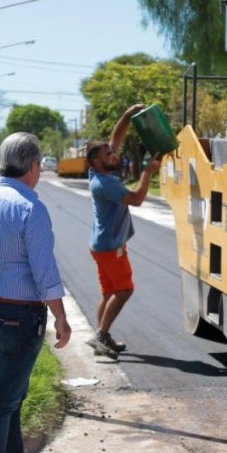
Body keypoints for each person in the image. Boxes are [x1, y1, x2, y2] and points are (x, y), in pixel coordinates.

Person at [0, 132, 71, 453]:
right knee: (2, 400)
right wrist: (61, 317)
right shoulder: (30, 208)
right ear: (34, 166)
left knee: (13, 393)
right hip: (21, 317)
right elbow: (44, 271)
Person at [85, 104, 162, 359]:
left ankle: (102, 336)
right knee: (125, 289)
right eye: (109, 154)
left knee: (108, 293)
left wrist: (127, 115)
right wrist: (148, 172)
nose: (113, 154)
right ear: (98, 161)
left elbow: (115, 139)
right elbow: (136, 199)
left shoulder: (97, 171)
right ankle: (100, 335)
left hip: (99, 245)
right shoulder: (105, 184)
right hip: (110, 247)